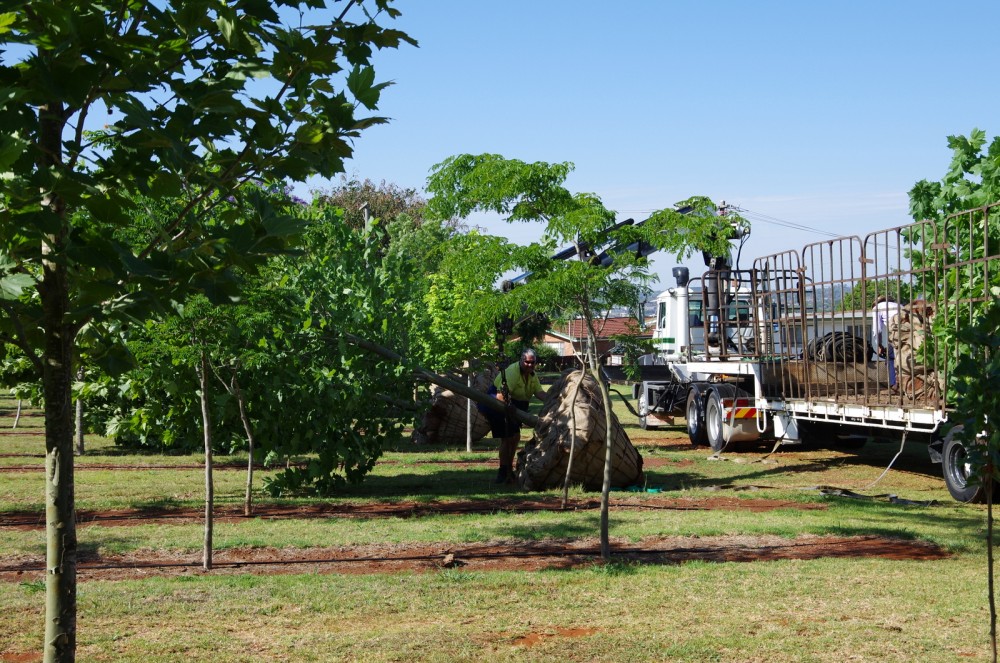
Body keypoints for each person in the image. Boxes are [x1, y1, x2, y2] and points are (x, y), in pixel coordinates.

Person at [482, 348, 548, 484]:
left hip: (515, 406)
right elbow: (501, 396)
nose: (529, 365)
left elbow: (539, 393)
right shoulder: (512, 372)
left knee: (515, 437)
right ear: (521, 360)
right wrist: (510, 407)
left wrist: (554, 400)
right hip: (499, 404)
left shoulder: (532, 375)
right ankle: (502, 472)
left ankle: (509, 468)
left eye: (532, 362)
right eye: (527, 362)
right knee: (507, 438)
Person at [871, 295, 901, 393]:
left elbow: (877, 330)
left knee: (890, 357)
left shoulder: (877, 308)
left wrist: (879, 345)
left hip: (898, 332)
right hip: (913, 333)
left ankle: (894, 386)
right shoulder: (899, 305)